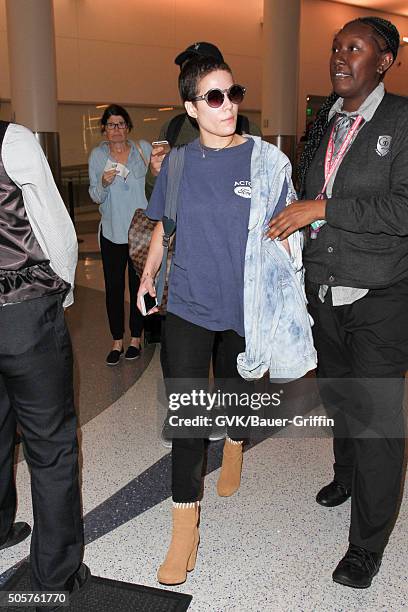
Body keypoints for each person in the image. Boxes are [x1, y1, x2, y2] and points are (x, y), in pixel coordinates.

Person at [137, 55, 314, 586]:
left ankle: (235, 442)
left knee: (234, 393)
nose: (228, 105)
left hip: (244, 308)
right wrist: (149, 278)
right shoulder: (179, 164)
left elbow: (289, 236)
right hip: (189, 304)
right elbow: (164, 229)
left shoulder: (266, 162)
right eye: (213, 97)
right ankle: (183, 530)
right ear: (192, 107)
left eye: (232, 93)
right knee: (189, 418)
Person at [268, 16, 407, 589]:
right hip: (325, 295)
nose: (339, 56)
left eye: (354, 47)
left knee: (376, 423)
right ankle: (344, 474)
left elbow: (403, 209)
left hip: (381, 297)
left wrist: (321, 209)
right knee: (341, 400)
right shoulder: (325, 120)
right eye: (334, 47)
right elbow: (304, 193)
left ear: (385, 61)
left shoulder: (402, 121)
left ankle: (366, 546)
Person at [0, 120, 88, 610]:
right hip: (23, 312)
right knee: (51, 442)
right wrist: (64, 288)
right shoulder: (11, 139)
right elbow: (54, 226)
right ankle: (56, 574)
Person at [145, 41, 262, 198]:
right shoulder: (173, 128)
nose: (227, 105)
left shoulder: (247, 131)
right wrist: (155, 173)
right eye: (187, 71)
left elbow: (266, 199)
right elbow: (156, 199)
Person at [88, 104, 151, 365]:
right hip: (112, 232)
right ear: (104, 129)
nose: (117, 130)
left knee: (140, 287)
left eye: (121, 124)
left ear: (128, 127)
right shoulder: (97, 157)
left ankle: (137, 337)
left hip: (140, 231)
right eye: (112, 124)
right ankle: (117, 340)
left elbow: (157, 180)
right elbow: (94, 195)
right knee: (114, 289)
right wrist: (103, 183)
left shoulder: (142, 149)